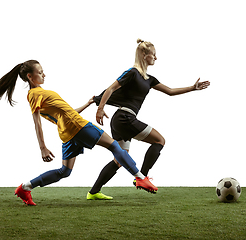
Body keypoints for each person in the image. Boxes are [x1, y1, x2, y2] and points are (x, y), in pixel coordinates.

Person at [0, 60, 158, 205]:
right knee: (114, 146)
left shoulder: (41, 93)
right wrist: (43, 147)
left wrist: (88, 103)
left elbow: (66, 112)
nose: (44, 74)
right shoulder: (34, 94)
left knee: (64, 172)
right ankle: (140, 177)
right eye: (40, 72)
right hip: (78, 126)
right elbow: (37, 122)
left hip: (67, 133)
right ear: (30, 76)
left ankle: (25, 188)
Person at [87, 39, 210, 199]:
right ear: (144, 55)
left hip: (122, 120)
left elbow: (170, 91)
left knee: (119, 160)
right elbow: (110, 88)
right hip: (124, 118)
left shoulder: (149, 79)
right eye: (154, 55)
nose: (156, 58)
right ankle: (142, 177)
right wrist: (100, 108)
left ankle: (94, 192)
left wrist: (193, 88)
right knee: (159, 140)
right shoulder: (132, 73)